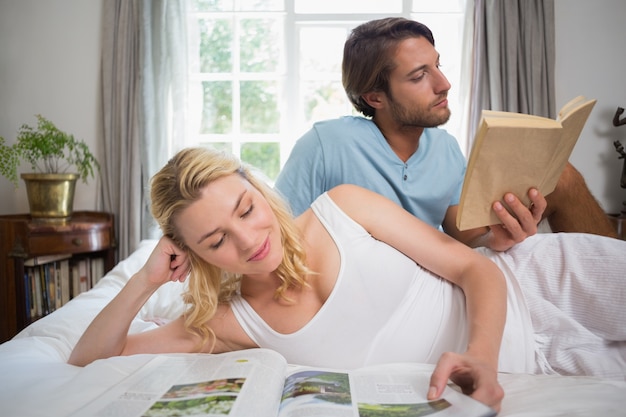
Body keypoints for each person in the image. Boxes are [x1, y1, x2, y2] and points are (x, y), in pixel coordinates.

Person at [69, 147, 626, 413]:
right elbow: (92, 359)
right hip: (546, 362)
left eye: (245, 209)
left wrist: (480, 355)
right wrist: (145, 281)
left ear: (258, 190)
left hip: (546, 283)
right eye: (215, 242)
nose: (247, 241)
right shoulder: (227, 323)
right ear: (192, 253)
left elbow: (472, 266)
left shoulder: (343, 207)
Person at [274, 17, 618, 252]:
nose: (444, 84)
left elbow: (463, 234)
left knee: (565, 177)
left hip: (438, 273)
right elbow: (282, 237)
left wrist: (497, 237)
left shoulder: (444, 147)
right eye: (419, 76)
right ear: (374, 97)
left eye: (438, 66)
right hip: (372, 286)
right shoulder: (326, 144)